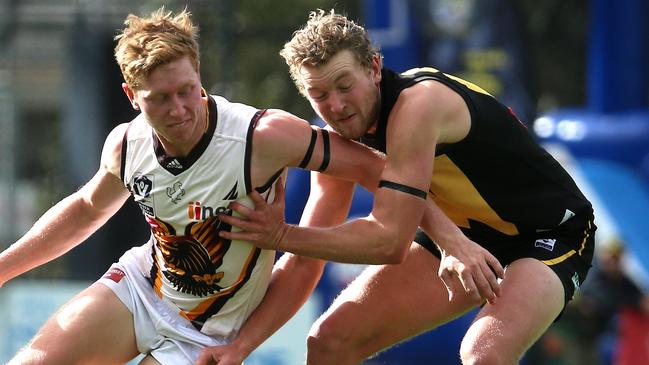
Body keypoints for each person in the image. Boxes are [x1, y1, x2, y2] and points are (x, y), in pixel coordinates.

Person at [0, 7, 392, 365]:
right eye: (160, 99)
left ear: (199, 74)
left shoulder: (262, 136)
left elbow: (380, 171)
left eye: (186, 90)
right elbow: (87, 209)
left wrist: (450, 235)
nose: (179, 110)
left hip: (206, 333)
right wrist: (4, 267)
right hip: (140, 288)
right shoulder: (126, 142)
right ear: (132, 96)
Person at [217, 9, 597, 365]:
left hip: (550, 232)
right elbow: (304, 262)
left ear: (375, 68)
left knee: (484, 354)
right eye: (319, 95)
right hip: (465, 232)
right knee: (329, 341)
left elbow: (389, 241)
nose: (336, 105)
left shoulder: (418, 105)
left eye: (344, 85)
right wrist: (238, 348)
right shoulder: (335, 146)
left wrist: (280, 233)